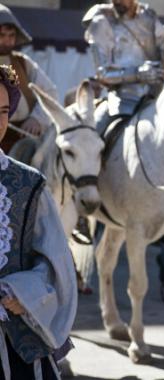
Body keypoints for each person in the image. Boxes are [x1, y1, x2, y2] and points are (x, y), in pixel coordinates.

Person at [0, 64, 77, 380]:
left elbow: (56, 264)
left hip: (16, 347)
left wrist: (23, 293)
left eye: (4, 110)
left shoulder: (28, 184)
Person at [83, 0, 164, 130]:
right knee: (93, 138)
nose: (117, 1)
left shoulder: (148, 16)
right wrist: (138, 74)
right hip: (121, 101)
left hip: (157, 98)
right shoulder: (101, 21)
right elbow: (102, 73)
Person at [0, 5, 58, 156]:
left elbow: (49, 92)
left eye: (11, 35)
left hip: (23, 139)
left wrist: (36, 119)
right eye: (2, 35)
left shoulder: (22, 64)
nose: (7, 41)